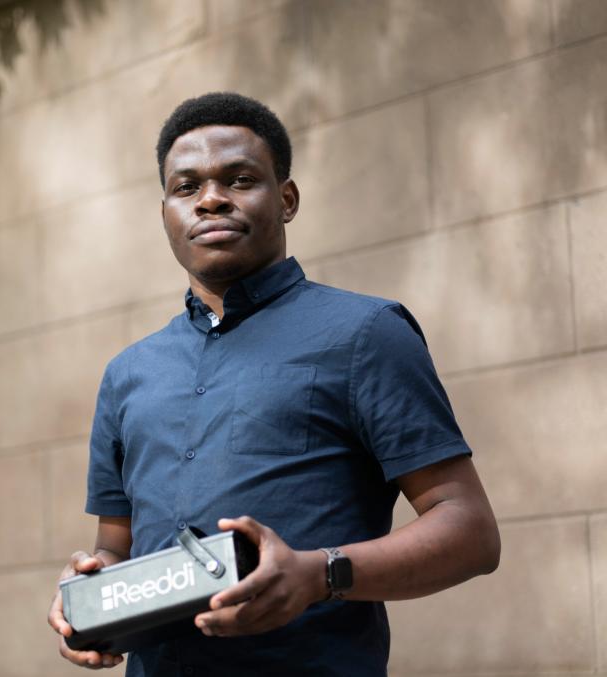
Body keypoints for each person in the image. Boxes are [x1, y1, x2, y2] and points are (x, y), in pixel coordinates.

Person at [47, 92, 500, 677]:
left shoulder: (366, 334)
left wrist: (318, 575)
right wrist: (86, 596)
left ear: (285, 199)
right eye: (186, 188)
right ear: (165, 213)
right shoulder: (128, 373)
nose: (211, 199)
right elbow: (116, 546)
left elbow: (470, 531)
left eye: (239, 179)